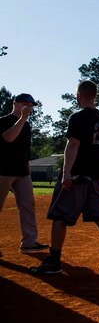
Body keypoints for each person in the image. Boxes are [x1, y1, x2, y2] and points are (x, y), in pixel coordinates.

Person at [29, 80, 99, 274]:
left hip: (77, 174)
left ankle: (54, 261)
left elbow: (73, 145)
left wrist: (66, 173)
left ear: (79, 95)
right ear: (95, 96)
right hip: (97, 175)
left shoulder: (77, 117)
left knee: (59, 215)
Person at [0, 93, 49, 256]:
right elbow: (8, 138)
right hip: (3, 170)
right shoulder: (4, 121)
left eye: (31, 105)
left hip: (22, 171)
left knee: (28, 205)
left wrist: (27, 167)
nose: (29, 107)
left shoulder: (27, 126)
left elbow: (24, 149)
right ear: (15, 103)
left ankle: (29, 242)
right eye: (26, 104)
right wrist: (21, 119)